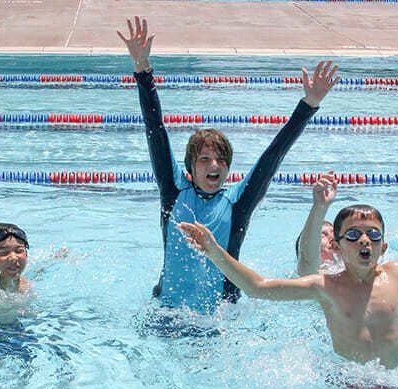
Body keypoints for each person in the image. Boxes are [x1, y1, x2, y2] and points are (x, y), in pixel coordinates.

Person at [177, 184, 398, 369]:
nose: (364, 240)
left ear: (383, 246)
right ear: (337, 246)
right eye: (353, 235)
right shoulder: (326, 286)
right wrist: (213, 250)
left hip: (395, 385)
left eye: (373, 235)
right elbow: (257, 288)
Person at [118, 16, 339, 313]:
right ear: (190, 168)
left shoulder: (238, 203)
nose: (215, 165)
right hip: (166, 313)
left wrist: (308, 105)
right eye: (205, 159)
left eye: (222, 160)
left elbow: (272, 157)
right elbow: (155, 130)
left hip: (220, 322)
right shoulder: (173, 190)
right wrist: (143, 71)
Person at [296, 172, 343, 276]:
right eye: (323, 235)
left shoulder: (349, 268)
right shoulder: (310, 273)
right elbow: (307, 257)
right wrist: (320, 206)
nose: (332, 236)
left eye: (333, 232)